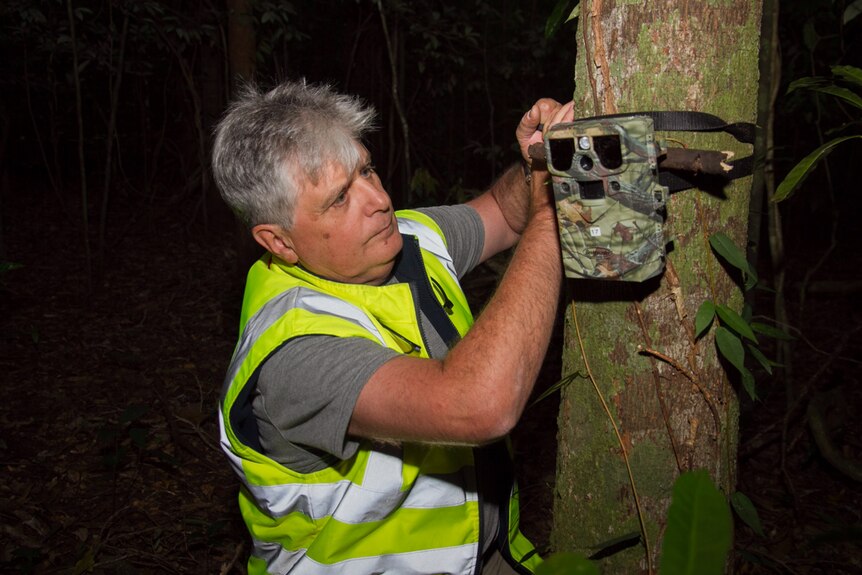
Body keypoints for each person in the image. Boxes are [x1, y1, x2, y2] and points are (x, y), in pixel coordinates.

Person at [213, 79, 573, 575]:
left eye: (368, 170)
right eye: (340, 199)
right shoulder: (294, 355)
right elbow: (479, 404)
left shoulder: (406, 238)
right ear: (278, 241)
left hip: (483, 558)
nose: (378, 200)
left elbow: (507, 215)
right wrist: (555, 207)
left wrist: (539, 161)